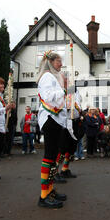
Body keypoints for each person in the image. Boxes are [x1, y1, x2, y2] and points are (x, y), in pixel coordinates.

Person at [36, 50, 68, 208]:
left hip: (55, 119)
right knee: (49, 156)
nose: (61, 64)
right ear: (50, 62)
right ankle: (44, 195)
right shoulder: (47, 76)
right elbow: (48, 96)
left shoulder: (53, 77)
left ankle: (49, 189)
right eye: (58, 61)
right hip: (50, 119)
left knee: (53, 156)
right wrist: (62, 90)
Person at [58, 90, 84, 178]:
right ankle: (54, 172)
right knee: (62, 148)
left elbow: (79, 105)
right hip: (65, 122)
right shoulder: (62, 92)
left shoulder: (76, 92)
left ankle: (65, 169)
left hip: (75, 122)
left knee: (71, 148)